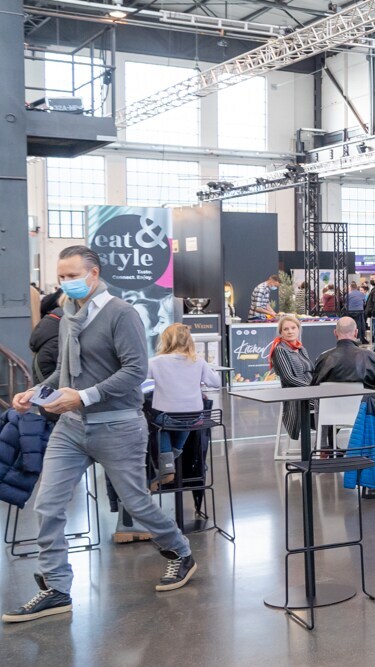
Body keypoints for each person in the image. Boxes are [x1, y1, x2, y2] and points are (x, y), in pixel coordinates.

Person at [5, 246, 198, 622]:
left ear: (93, 274)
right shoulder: (67, 318)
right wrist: (38, 391)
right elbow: (65, 370)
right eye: (61, 277)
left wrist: (84, 396)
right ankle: (57, 589)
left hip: (119, 425)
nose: (65, 283)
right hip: (72, 427)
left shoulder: (121, 314)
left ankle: (180, 552)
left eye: (72, 275)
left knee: (137, 503)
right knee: (48, 506)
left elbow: (135, 370)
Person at [147, 323, 221, 490]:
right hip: (192, 418)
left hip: (166, 418)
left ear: (165, 341)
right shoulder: (199, 362)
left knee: (154, 421)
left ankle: (166, 469)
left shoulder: (155, 362)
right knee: (185, 418)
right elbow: (216, 383)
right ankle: (172, 458)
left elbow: (136, 379)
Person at [267, 314, 314, 441]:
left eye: (293, 328)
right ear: (281, 332)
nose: (290, 331)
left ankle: (326, 443)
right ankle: (324, 444)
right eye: (286, 329)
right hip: (296, 396)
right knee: (325, 406)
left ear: (298, 330)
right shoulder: (280, 350)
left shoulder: (301, 349)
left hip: (311, 392)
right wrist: (313, 389)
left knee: (333, 404)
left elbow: (311, 372)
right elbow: (288, 378)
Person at [311, 316, 375, 391]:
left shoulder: (323, 359)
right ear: (356, 332)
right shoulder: (371, 358)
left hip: (329, 404)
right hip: (364, 403)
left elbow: (313, 390)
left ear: (335, 333)